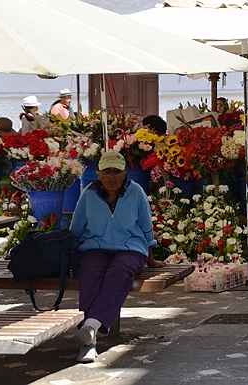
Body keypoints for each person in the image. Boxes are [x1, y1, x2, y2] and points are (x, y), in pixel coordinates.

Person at [70, 151, 164, 363]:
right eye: (107, 172)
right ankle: (90, 339)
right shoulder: (88, 194)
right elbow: (76, 229)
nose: (112, 177)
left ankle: (90, 328)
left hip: (130, 248)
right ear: (98, 174)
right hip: (95, 247)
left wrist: (151, 259)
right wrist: (71, 257)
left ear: (125, 174)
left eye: (117, 172)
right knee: (90, 272)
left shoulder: (136, 192)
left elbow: (146, 227)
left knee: (119, 272)